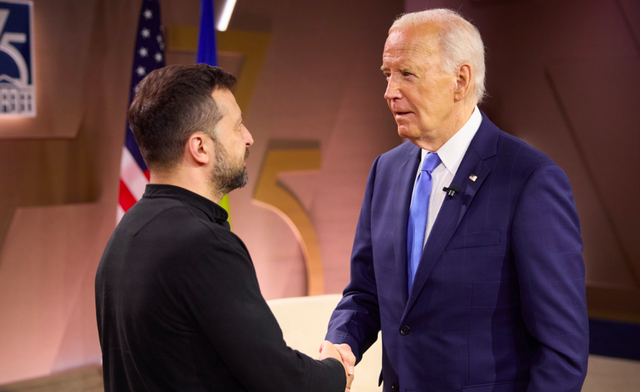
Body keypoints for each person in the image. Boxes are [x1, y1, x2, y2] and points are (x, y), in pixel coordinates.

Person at [325, 9, 588, 392]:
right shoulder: (386, 170)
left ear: (460, 81)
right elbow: (365, 292)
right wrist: (341, 344)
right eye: (387, 74)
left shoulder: (529, 180)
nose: (389, 91)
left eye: (407, 74)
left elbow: (562, 351)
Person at [95, 64, 352, 392]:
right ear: (200, 147)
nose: (248, 138)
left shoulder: (122, 237)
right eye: (237, 126)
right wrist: (336, 371)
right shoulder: (205, 247)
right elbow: (283, 382)